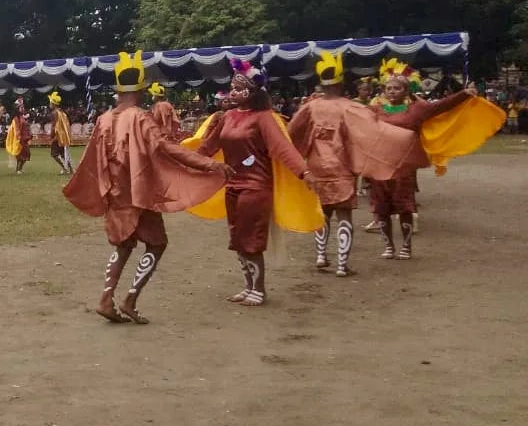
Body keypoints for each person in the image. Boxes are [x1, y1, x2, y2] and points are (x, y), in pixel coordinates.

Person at [63, 51, 231, 324]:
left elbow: (92, 160)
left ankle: (106, 298)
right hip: (138, 193)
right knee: (157, 244)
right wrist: (207, 164)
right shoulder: (141, 118)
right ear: (140, 90)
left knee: (124, 245)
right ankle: (130, 299)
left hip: (115, 192)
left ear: (119, 90)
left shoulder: (104, 119)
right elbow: (166, 147)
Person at [188, 59, 321, 306]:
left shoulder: (264, 118)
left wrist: (304, 172)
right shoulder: (227, 117)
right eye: (232, 87)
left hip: (256, 187)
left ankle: (258, 290)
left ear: (253, 92)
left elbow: (283, 148)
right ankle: (248, 286)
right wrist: (185, 162)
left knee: (251, 240)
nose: (233, 92)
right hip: (232, 186)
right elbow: (208, 147)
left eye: (239, 88)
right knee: (238, 239)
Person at [287, 51, 417, 277]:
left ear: (322, 83)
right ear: (340, 83)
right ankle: (341, 265)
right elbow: (374, 130)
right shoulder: (351, 106)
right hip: (342, 164)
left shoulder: (310, 106)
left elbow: (292, 132)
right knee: (344, 213)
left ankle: (321, 255)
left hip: (317, 163)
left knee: (323, 210)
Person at [367, 59, 502, 260]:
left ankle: (406, 246)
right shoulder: (376, 111)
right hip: (380, 166)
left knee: (404, 207)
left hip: (404, 167)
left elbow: (441, 106)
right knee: (382, 208)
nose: (392, 91)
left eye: (397, 88)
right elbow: (353, 115)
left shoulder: (417, 109)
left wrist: (464, 94)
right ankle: (388, 246)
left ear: (406, 91)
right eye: (389, 88)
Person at [47, 92, 73, 175]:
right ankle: (71, 169)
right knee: (62, 153)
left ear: (53, 104)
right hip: (63, 136)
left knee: (54, 154)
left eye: (50, 103)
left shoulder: (54, 113)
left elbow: (54, 126)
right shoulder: (62, 112)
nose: (49, 105)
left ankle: (65, 168)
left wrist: (51, 136)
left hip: (57, 136)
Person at [5, 97, 32, 174]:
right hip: (21, 139)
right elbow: (17, 129)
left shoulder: (22, 117)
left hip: (25, 138)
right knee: (21, 155)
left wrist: (29, 134)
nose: (23, 108)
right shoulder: (16, 119)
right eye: (21, 107)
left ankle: (19, 168)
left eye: (23, 107)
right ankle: (18, 169)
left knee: (26, 154)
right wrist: (19, 138)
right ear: (17, 109)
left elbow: (25, 127)